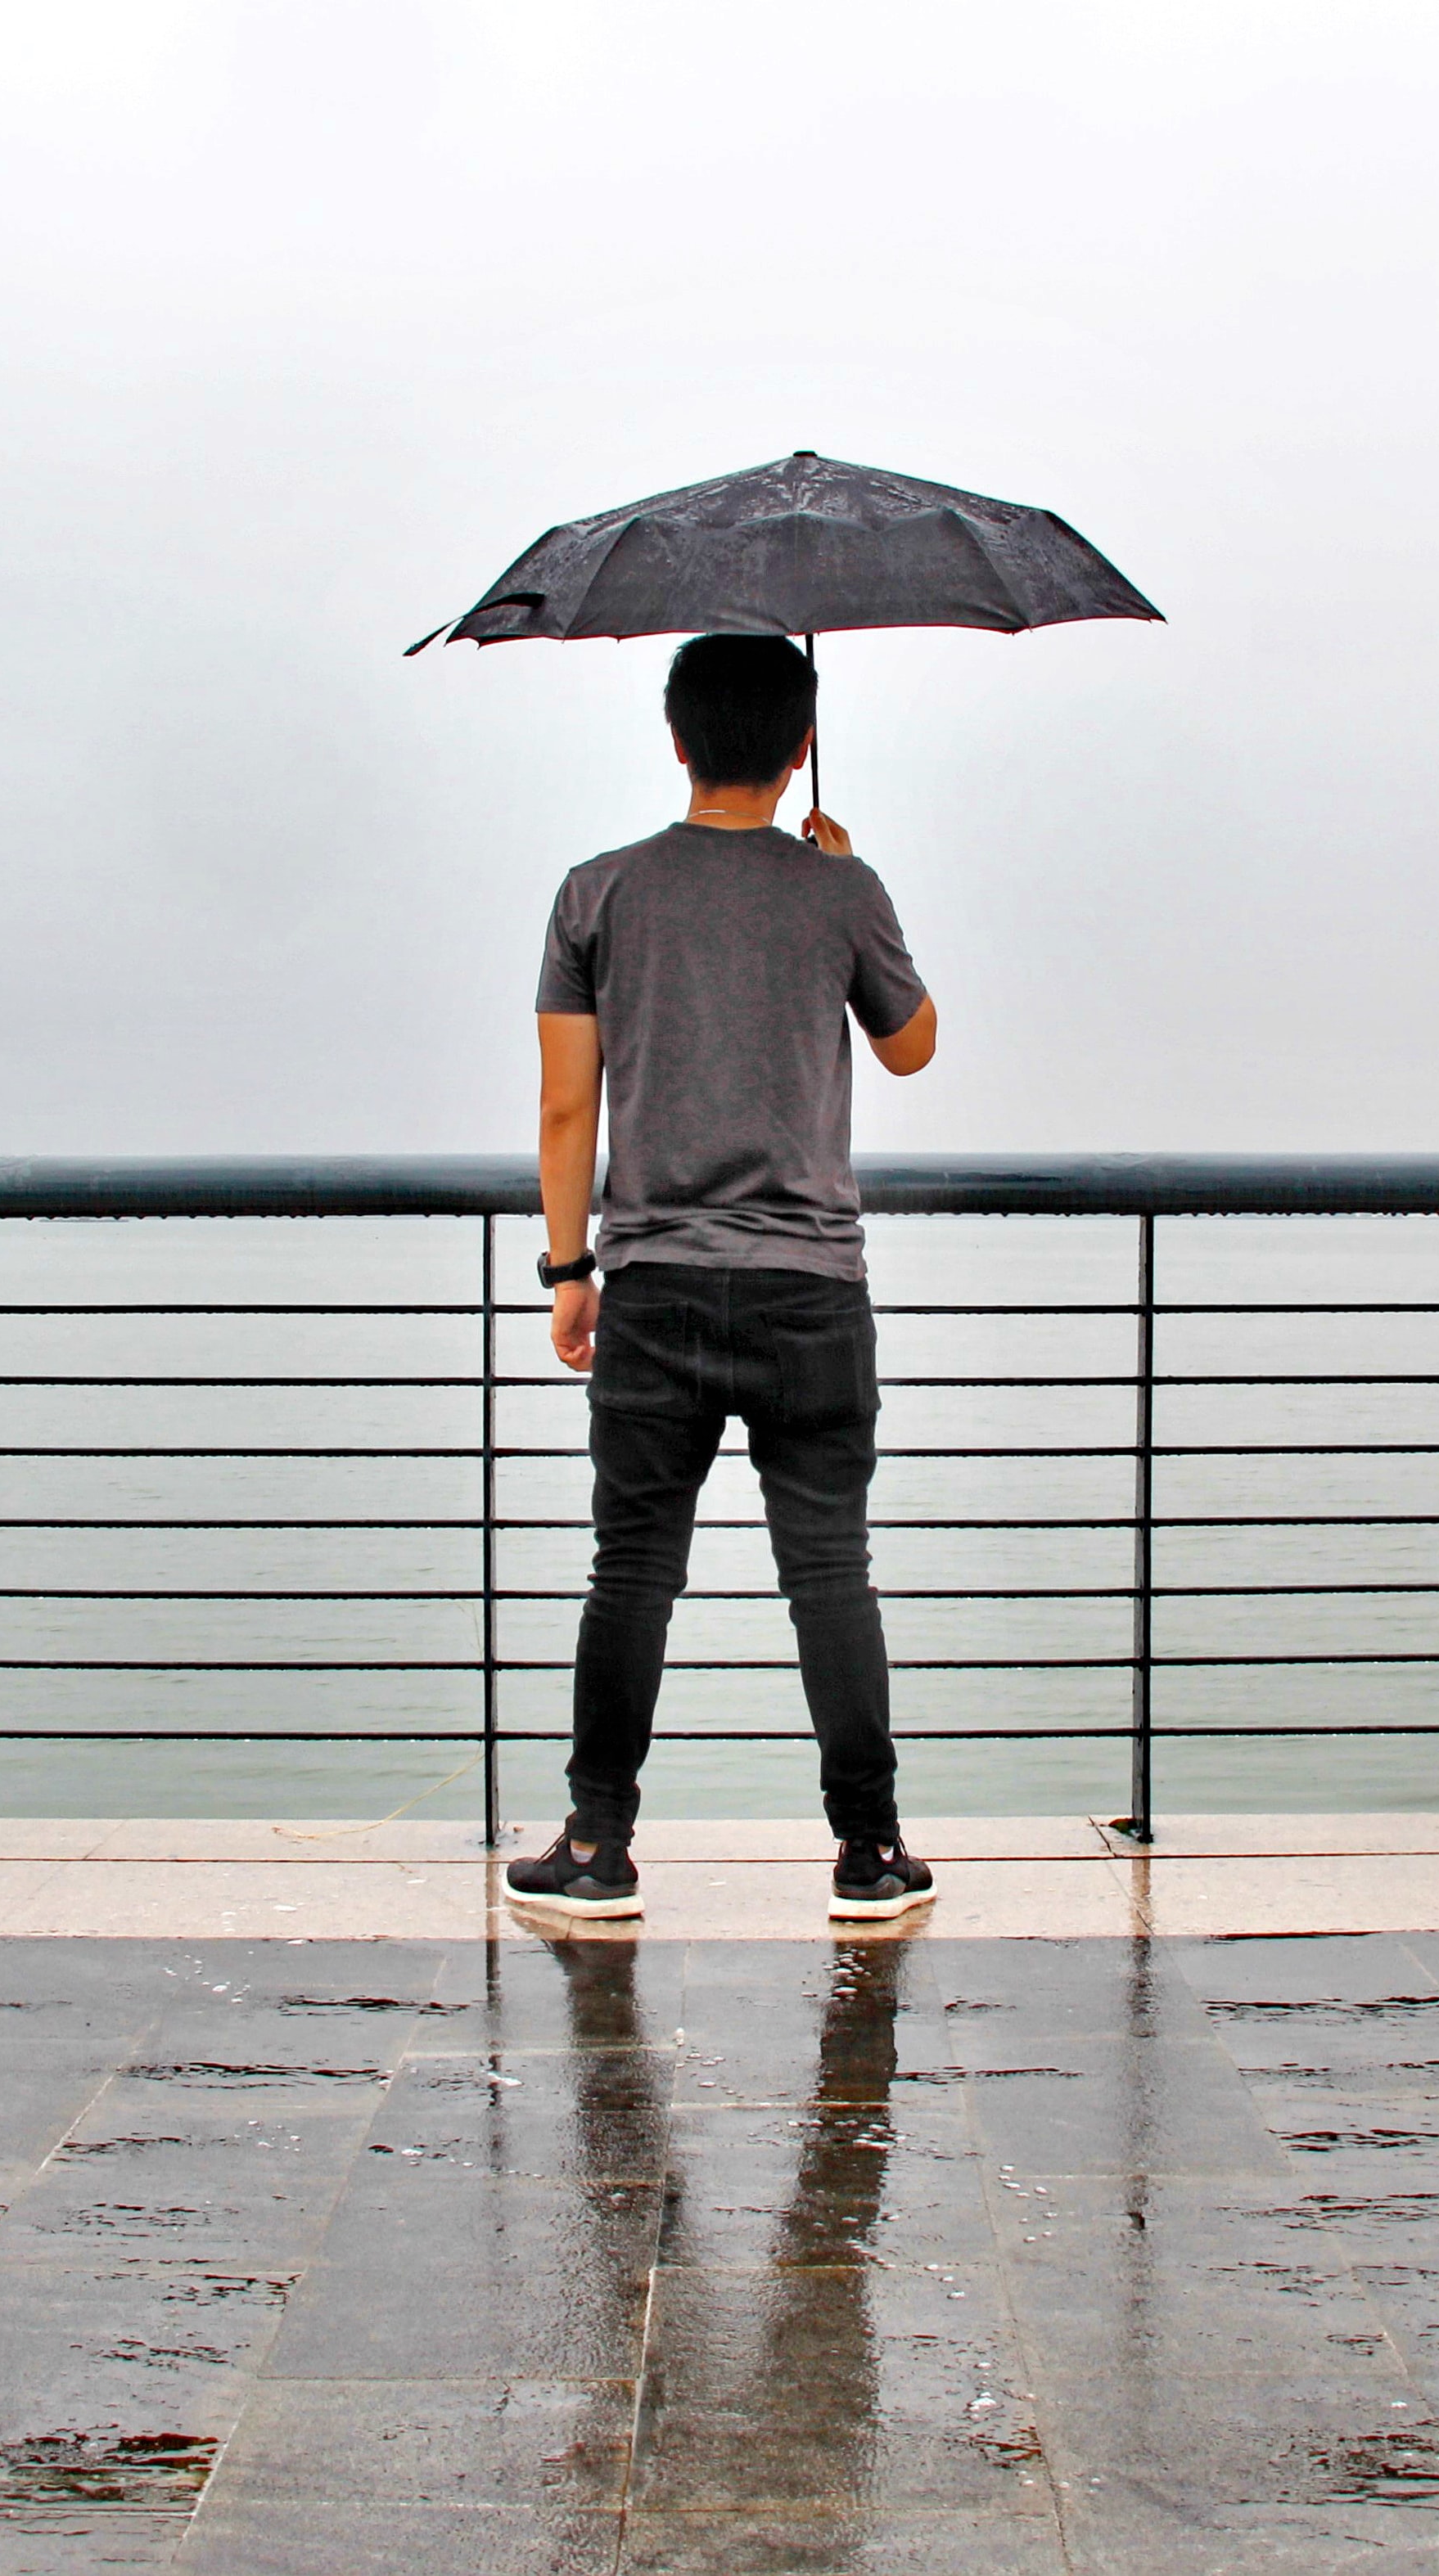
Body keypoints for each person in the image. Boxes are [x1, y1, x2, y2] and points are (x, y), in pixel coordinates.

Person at [501, 633, 941, 1925]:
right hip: (813, 1289)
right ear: (800, 747)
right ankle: (869, 1853)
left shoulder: (596, 893)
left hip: (655, 1285)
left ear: (678, 739)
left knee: (632, 1569)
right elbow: (912, 1048)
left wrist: (569, 1270)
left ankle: (598, 1847)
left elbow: (566, 1108)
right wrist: (846, 881)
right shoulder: (841, 890)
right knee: (831, 1569)